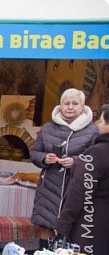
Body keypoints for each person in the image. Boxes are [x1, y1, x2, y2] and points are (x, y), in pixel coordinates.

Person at [30, 88, 99, 236]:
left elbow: (95, 159)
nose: (70, 107)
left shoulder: (93, 130)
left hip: (75, 187)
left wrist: (75, 161)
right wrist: (44, 158)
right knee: (46, 232)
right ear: (60, 106)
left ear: (82, 107)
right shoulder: (48, 128)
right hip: (48, 189)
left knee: (70, 235)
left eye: (75, 103)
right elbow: (34, 153)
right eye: (66, 103)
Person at [54, 104, 109, 255]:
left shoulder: (97, 153)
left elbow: (78, 192)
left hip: (91, 223)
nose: (98, 125)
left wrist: (63, 224)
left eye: (101, 120)